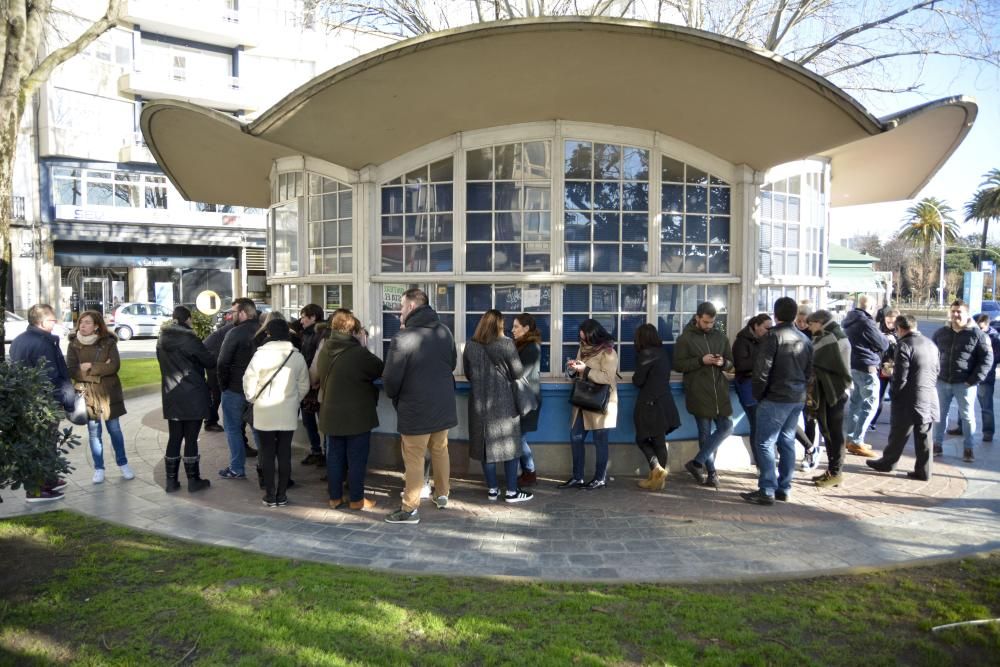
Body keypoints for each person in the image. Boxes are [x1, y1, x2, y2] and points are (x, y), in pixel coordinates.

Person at [383, 288, 458, 524]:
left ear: (412, 307)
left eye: (402, 306)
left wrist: (395, 396)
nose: (399, 311)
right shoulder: (444, 332)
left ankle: (410, 509)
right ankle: (443, 494)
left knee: (414, 458)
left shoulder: (403, 337)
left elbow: (391, 379)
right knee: (440, 449)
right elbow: (452, 363)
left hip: (415, 407)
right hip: (443, 403)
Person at [741, 297, 813, 505]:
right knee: (787, 440)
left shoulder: (772, 337)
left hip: (775, 396)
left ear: (776, 315)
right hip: (796, 396)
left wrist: (759, 394)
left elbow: (761, 370)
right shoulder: (804, 339)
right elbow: (809, 371)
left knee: (765, 442)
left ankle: (767, 488)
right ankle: (784, 487)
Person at [316, 312, 384, 510]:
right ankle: (356, 500)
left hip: (330, 412)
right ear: (354, 331)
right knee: (356, 459)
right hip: (357, 415)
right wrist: (363, 345)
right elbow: (379, 368)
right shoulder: (358, 353)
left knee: (335, 458)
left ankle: (335, 498)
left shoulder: (325, 348)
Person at [464, 310, 533, 503]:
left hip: (479, 404)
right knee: (510, 447)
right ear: (499, 325)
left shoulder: (470, 346)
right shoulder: (507, 344)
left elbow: (469, 374)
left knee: (486, 448)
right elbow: (518, 373)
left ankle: (492, 490)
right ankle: (512, 492)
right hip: (504, 403)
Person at [243, 318, 310, 507]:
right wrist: (294, 399)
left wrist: (253, 398)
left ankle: (270, 494)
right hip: (287, 410)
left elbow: (249, 381)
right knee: (284, 453)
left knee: (266, 453)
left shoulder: (259, 356)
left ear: (269, 334)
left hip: (264, 409)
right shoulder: (296, 356)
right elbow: (303, 384)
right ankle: (282, 494)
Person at [865, 314, 940, 481]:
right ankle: (924, 470)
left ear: (899, 329)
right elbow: (937, 370)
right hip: (929, 394)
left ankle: (888, 462)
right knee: (924, 435)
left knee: (898, 431)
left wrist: (893, 390)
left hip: (909, 397)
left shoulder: (904, 345)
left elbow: (900, 376)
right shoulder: (930, 344)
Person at [9, 303, 71, 502]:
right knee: (44, 445)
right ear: (43, 322)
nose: (55, 323)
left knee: (40, 444)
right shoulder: (44, 344)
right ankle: (37, 489)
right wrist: (67, 401)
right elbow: (52, 377)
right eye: (53, 319)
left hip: (28, 402)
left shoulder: (19, 340)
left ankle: (48, 480)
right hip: (44, 405)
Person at [66, 310, 132, 484]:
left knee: (115, 430)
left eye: (87, 322)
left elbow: (114, 366)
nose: (83, 325)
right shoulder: (73, 344)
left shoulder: (108, 342)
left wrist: (90, 367)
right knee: (94, 432)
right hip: (87, 395)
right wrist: (100, 369)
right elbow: (72, 370)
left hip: (109, 394)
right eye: (81, 322)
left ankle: (123, 463)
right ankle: (99, 468)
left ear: (96, 326)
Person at [673, 301, 734, 489]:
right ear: (698, 318)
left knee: (727, 427)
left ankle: (697, 463)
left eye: (712, 322)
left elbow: (732, 365)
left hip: (720, 391)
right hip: (698, 391)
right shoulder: (685, 338)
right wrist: (701, 360)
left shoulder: (721, 338)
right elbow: (678, 365)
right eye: (706, 322)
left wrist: (722, 363)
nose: (709, 325)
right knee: (704, 433)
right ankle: (712, 473)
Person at [155, 306, 215, 493]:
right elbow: (209, 361)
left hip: (172, 394)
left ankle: (171, 482)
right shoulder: (190, 339)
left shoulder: (161, 339)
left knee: (174, 437)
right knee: (191, 438)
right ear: (187, 319)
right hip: (193, 393)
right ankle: (193, 480)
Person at [932, 300, 993, 463]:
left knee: (967, 417)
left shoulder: (977, 335)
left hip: (965, 384)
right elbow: (932, 355)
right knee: (940, 415)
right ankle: (936, 445)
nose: (955, 314)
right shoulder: (941, 333)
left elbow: (987, 359)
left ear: (966, 314)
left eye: (959, 312)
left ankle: (968, 449)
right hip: (942, 381)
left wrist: (973, 380)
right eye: (953, 311)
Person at [561, 319, 619, 490]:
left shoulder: (608, 352)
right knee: (575, 437)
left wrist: (584, 370)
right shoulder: (583, 349)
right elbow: (580, 370)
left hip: (600, 402)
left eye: (585, 338)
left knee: (600, 440)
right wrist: (573, 369)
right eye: (581, 338)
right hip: (583, 400)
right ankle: (577, 477)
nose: (583, 341)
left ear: (593, 336)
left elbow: (607, 378)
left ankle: (600, 478)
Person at [805, 309, 852, 488]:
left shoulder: (831, 337)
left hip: (836, 390)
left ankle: (836, 472)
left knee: (835, 432)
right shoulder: (832, 335)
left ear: (820, 322)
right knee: (830, 431)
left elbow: (820, 361)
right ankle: (832, 471)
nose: (809, 328)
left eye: (810, 324)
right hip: (833, 389)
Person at [632, 323, 681, 490]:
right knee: (660, 441)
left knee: (642, 438)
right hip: (665, 401)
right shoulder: (663, 353)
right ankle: (658, 480)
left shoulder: (645, 354)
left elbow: (638, 380)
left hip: (649, 402)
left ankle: (656, 470)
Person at [842, 294, 890, 458]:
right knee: (871, 404)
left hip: (853, 365)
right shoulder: (866, 322)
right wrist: (887, 339)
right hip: (866, 366)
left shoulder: (849, 319)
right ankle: (857, 440)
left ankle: (850, 437)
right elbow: (882, 344)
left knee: (856, 402)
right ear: (870, 307)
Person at [217, 298, 259, 480]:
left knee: (233, 429)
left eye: (233, 312)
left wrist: (223, 385)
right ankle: (265, 466)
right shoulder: (263, 332)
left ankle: (236, 468)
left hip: (235, 389)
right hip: (258, 390)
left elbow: (222, 362)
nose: (230, 315)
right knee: (259, 429)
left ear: (243, 313)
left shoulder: (235, 333)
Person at [947, 314, 1000, 444]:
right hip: (967, 376)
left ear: (987, 325)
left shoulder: (994, 338)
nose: (978, 331)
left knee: (986, 406)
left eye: (981, 328)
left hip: (985, 378)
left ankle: (988, 432)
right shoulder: (970, 334)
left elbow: (995, 358)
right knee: (963, 404)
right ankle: (961, 427)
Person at [732, 313, 772, 464]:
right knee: (757, 424)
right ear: (756, 326)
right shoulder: (742, 341)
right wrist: (762, 362)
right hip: (747, 386)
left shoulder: (767, 340)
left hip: (763, 386)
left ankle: (764, 461)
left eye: (771, 328)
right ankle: (760, 462)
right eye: (766, 327)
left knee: (764, 424)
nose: (769, 331)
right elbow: (741, 366)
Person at [512, 312, 543, 487]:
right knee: (518, 436)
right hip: (523, 397)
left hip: (527, 399)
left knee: (518, 436)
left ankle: (529, 472)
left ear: (526, 328)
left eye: (516, 326)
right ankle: (527, 472)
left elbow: (519, 373)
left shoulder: (531, 347)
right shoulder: (523, 345)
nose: (513, 330)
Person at [298, 304, 326, 466]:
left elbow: (317, 361)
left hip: (315, 384)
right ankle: (316, 450)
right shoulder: (307, 334)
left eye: (303, 317)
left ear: (313, 317)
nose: (301, 321)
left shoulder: (319, 335)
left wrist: (315, 380)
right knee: (309, 420)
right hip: (307, 383)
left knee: (321, 421)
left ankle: (323, 452)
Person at [870, 308, 901, 429]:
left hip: (897, 370)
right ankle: (872, 421)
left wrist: (895, 342)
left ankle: (896, 421)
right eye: (888, 322)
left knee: (897, 397)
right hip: (883, 369)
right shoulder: (880, 331)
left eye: (893, 323)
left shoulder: (902, 333)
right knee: (878, 395)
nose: (890, 325)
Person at [202, 321, 231, 433]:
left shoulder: (232, 326)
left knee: (216, 393)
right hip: (214, 360)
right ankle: (210, 422)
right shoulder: (234, 327)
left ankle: (210, 420)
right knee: (216, 394)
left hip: (214, 358)